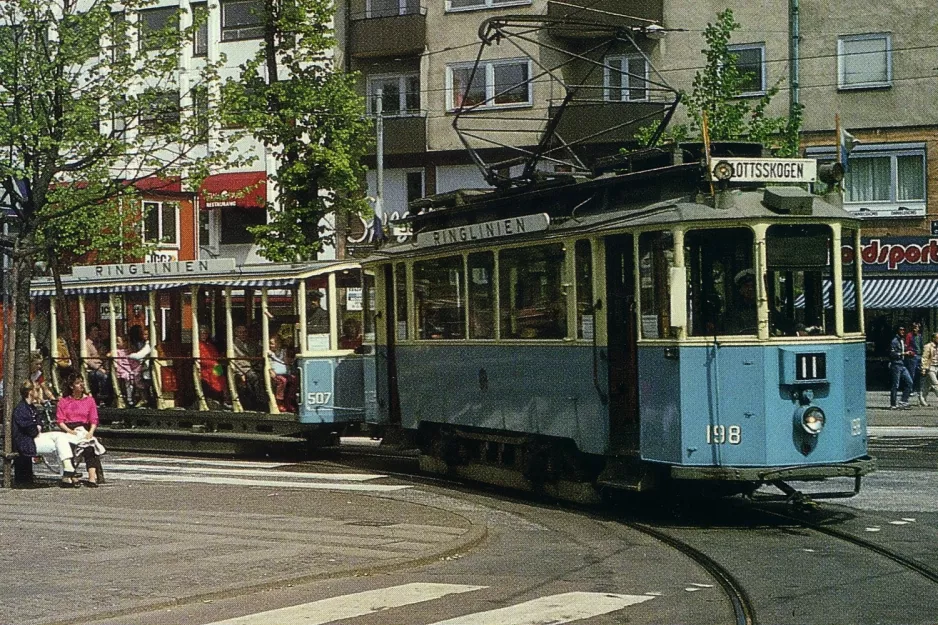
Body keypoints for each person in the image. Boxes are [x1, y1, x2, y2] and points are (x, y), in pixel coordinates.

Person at [12, 380, 81, 488]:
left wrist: (37, 427)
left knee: (61, 436)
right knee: (60, 443)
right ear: (30, 392)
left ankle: (68, 471)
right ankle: (68, 471)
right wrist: (37, 427)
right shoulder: (21, 409)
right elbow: (31, 430)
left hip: (34, 438)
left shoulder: (32, 407)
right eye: (37, 390)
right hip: (26, 442)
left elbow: (39, 424)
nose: (39, 392)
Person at [56, 372, 105, 487]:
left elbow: (93, 419)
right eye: (78, 383)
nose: (81, 385)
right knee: (69, 447)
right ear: (71, 386)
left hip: (84, 428)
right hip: (69, 428)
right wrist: (69, 431)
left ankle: (92, 478)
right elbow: (60, 421)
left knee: (89, 448)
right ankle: (71, 475)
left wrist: (90, 432)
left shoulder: (89, 401)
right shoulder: (64, 401)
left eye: (82, 382)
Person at [84, 322, 111, 405]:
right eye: (94, 331)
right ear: (90, 332)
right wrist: (99, 368)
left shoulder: (98, 343)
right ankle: (103, 397)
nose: (97, 333)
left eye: (98, 331)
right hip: (93, 369)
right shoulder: (86, 344)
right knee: (104, 376)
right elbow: (87, 360)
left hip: (102, 366)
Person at [197, 326, 227, 401]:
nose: (204, 335)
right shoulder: (198, 345)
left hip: (215, 366)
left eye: (206, 333)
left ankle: (224, 396)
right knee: (214, 377)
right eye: (202, 333)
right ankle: (215, 395)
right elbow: (201, 359)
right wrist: (214, 363)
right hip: (205, 368)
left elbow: (215, 356)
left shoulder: (210, 345)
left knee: (222, 376)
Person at [127, 325, 154, 407]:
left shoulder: (150, 344)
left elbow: (140, 355)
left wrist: (128, 356)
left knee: (138, 378)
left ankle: (144, 399)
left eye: (146, 334)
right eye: (143, 334)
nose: (144, 336)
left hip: (149, 368)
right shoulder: (146, 343)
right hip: (146, 368)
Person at [267, 334, 295, 412]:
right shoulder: (268, 352)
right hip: (274, 373)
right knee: (282, 381)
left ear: (279, 343)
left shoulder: (283, 351)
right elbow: (267, 364)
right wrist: (270, 370)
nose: (271, 345)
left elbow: (286, 361)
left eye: (273, 343)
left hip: (284, 372)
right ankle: (279, 402)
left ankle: (288, 402)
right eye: (270, 343)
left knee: (293, 379)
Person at [724, 268, 757, 334]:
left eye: (753, 286)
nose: (750, 289)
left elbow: (781, 324)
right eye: (746, 286)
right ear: (740, 290)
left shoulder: (766, 309)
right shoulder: (733, 311)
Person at [890, 326, 914, 410]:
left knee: (909, 382)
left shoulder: (902, 340)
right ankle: (893, 404)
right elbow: (892, 354)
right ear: (897, 331)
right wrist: (903, 353)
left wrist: (909, 353)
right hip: (896, 364)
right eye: (901, 329)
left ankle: (903, 401)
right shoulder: (894, 341)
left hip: (903, 364)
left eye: (904, 330)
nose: (903, 331)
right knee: (895, 385)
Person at [111, 334, 138, 406]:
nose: (116, 343)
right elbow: (110, 355)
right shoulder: (117, 351)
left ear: (125, 342)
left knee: (134, 376)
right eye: (116, 342)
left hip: (129, 369)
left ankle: (132, 395)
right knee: (127, 378)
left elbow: (133, 362)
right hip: (121, 370)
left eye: (118, 342)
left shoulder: (129, 351)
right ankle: (129, 398)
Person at [905, 322, 925, 406]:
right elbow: (907, 345)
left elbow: (921, 345)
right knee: (912, 373)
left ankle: (918, 389)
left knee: (920, 373)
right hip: (913, 356)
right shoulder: (909, 335)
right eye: (914, 327)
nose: (915, 329)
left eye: (916, 327)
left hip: (919, 355)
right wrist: (911, 352)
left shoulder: (920, 336)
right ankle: (911, 389)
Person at [921, 333, 938, 406]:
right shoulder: (928, 346)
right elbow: (924, 358)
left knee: (927, 385)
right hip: (930, 367)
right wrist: (923, 368)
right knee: (936, 384)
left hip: (936, 367)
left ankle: (922, 399)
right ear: (933, 338)